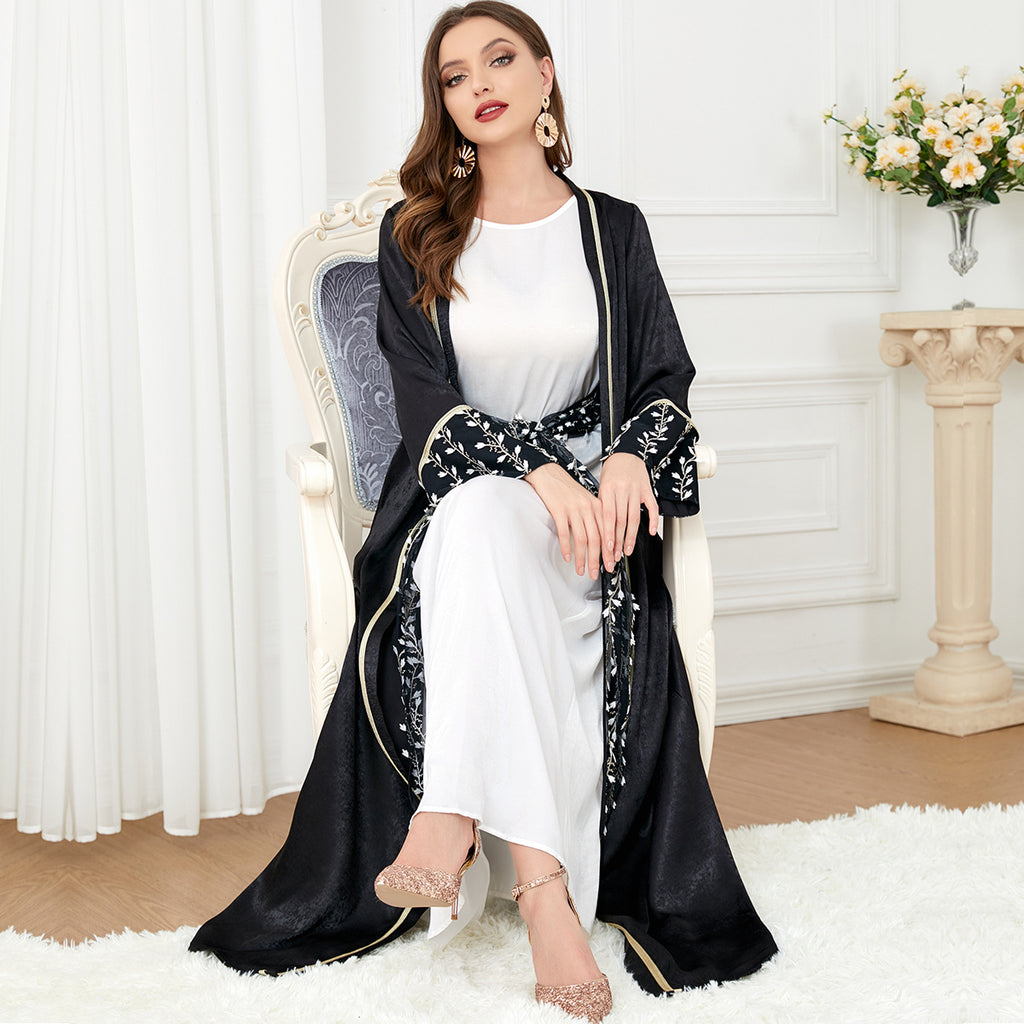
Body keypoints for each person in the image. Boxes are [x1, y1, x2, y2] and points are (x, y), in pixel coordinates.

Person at [189, 3, 778, 1020]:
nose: (479, 85)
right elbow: (422, 403)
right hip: (457, 506)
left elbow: (662, 374)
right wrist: (533, 471)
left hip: (586, 530)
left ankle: (450, 815)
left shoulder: (612, 229)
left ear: (544, 75)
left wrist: (627, 457)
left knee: (500, 531)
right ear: (446, 105)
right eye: (454, 76)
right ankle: (546, 897)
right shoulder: (416, 234)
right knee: (475, 522)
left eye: (499, 60)